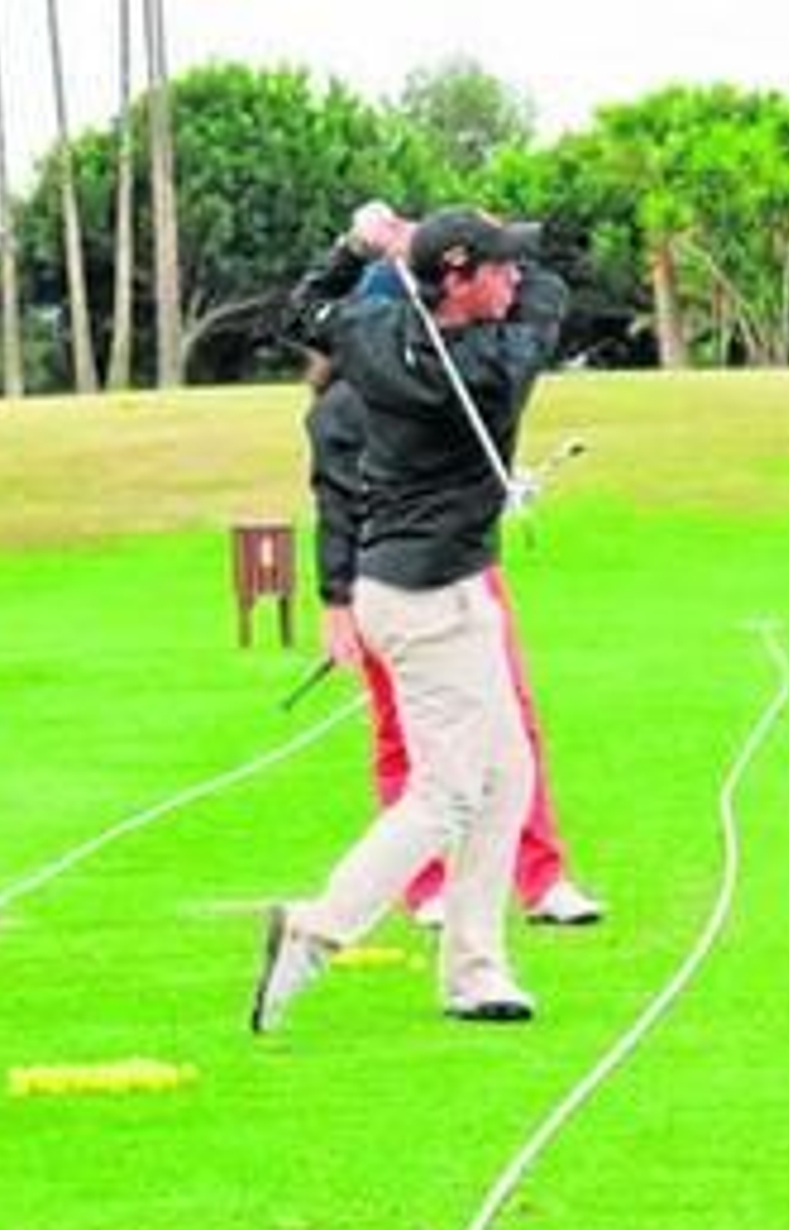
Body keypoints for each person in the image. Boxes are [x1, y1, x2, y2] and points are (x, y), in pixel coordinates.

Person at [253, 202, 567, 1034]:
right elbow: (552, 294)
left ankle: (475, 966)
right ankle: (315, 928)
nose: (515, 278)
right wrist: (414, 248)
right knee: (449, 792)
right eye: (498, 266)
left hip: (413, 588)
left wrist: (363, 245)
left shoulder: (373, 335)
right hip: (432, 602)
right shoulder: (498, 360)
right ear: (459, 281)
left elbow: (302, 310)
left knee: (508, 776)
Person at [302, 349, 602, 931]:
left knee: (513, 720)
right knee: (403, 735)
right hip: (386, 584)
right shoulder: (339, 410)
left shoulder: (437, 384)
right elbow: (336, 510)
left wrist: (503, 488)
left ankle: (542, 879)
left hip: (467, 572)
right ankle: (425, 886)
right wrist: (335, 602)